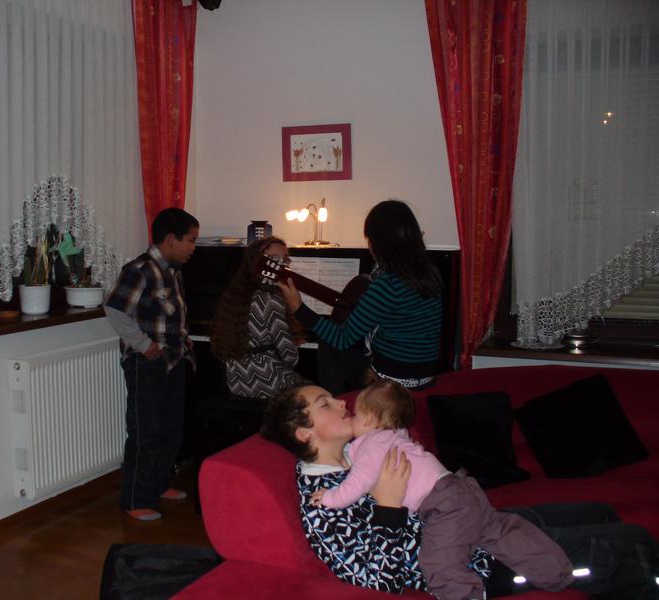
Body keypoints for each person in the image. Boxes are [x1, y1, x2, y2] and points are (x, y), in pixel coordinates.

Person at [261, 383, 659, 599]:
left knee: (599, 511)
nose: (341, 403)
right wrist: (388, 509)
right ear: (304, 433)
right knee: (628, 544)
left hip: (475, 519)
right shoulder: (321, 503)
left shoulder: (354, 451)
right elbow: (377, 581)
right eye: (325, 404)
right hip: (480, 560)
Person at [312, 380, 573, 599]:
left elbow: (358, 482)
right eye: (325, 404)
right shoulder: (395, 436)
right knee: (500, 531)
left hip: (443, 505)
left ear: (369, 418)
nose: (345, 407)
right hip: (460, 487)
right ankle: (556, 573)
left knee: (439, 564)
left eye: (357, 414)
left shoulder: (372, 445)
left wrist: (331, 498)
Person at [277, 199, 442, 392]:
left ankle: (336, 403)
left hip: (391, 385)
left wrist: (299, 308)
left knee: (330, 345)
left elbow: (342, 338)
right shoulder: (429, 273)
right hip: (425, 376)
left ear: (379, 243)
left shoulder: (387, 284)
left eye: (369, 239)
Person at [104, 208, 199, 522]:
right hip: (147, 364)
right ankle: (135, 499)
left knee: (171, 430)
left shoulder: (174, 271)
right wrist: (144, 345)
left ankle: (158, 485)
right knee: (146, 431)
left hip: (174, 361)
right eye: (190, 240)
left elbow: (172, 316)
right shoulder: (140, 270)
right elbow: (115, 309)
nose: (193, 247)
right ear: (171, 239)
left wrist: (185, 342)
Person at [210, 237, 307, 399]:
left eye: (285, 259)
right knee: (316, 394)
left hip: (237, 384)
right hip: (270, 384)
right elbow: (290, 357)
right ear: (258, 262)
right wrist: (294, 345)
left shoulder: (234, 296)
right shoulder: (270, 298)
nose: (281, 264)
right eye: (274, 258)